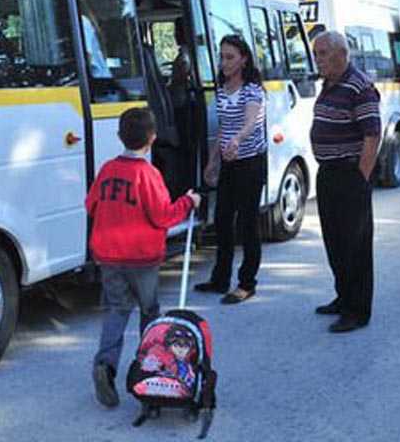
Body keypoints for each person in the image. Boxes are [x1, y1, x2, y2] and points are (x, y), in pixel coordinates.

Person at [86, 107, 200, 408]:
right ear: (152, 138)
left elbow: (90, 205)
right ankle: (150, 370)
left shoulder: (108, 169)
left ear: (119, 136)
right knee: (150, 314)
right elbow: (163, 216)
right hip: (142, 258)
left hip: (109, 255)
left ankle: (105, 365)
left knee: (116, 310)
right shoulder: (149, 175)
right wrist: (189, 201)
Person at [308, 30, 381, 334]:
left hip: (350, 174)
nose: (318, 60)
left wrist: (359, 179)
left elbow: (372, 135)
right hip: (329, 173)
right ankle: (343, 297)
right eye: (316, 54)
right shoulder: (330, 84)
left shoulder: (359, 86)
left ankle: (357, 310)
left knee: (355, 245)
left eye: (323, 53)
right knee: (335, 241)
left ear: (341, 53)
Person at [194, 35, 267, 304]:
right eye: (222, 56)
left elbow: (251, 122)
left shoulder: (252, 90)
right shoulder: (223, 89)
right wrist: (213, 160)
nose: (224, 62)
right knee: (223, 220)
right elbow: (224, 126)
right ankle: (220, 279)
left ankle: (247, 283)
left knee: (247, 223)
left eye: (230, 57)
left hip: (250, 163)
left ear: (244, 59)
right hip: (229, 162)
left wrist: (238, 139)